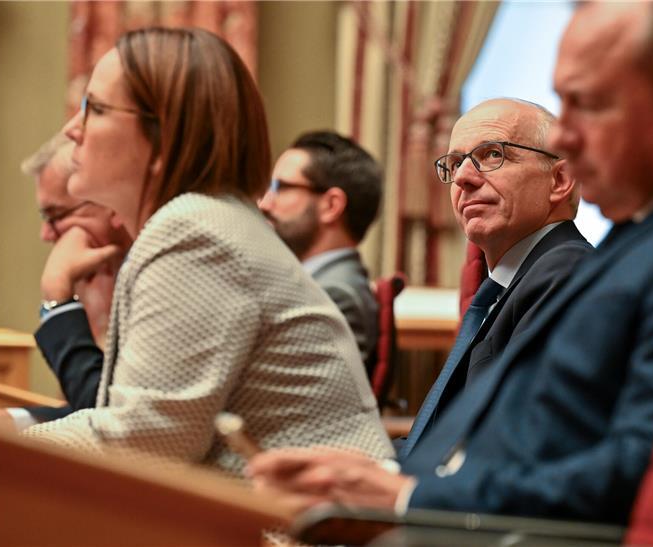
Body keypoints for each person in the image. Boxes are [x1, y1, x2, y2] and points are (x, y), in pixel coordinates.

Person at [246, 0, 653, 523]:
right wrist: (379, 477)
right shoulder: (638, 240)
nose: (568, 137)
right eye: (455, 163)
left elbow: (638, 475)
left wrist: (405, 498)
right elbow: (520, 439)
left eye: (590, 103)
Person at [21, 27, 393, 476]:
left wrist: (10, 443)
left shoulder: (194, 231)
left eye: (95, 109)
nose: (71, 129)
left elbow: (144, 441)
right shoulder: (207, 220)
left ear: (163, 136)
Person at [396, 98, 592, 460]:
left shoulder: (564, 276)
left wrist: (393, 488)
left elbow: (510, 451)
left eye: (492, 155)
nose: (463, 178)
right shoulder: (516, 281)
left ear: (560, 180)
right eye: (454, 163)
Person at [1, 133, 132, 430]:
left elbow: (114, 425)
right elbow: (103, 407)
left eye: (56, 215)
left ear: (111, 205)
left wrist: (57, 296)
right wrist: (14, 422)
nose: (46, 235)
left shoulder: (159, 269)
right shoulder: (112, 273)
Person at [258, 131, 382, 373]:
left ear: (331, 205)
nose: (265, 203)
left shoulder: (335, 295)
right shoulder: (325, 284)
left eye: (281, 187)